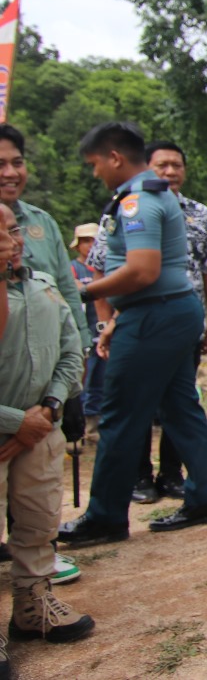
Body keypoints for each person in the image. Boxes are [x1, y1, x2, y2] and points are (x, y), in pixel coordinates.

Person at [59, 122, 207, 546]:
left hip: (156, 315)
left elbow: (144, 270)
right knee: (179, 406)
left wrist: (82, 291)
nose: (95, 173)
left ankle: (105, 517)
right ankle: (205, 498)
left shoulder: (138, 203)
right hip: (166, 312)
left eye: (95, 164)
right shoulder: (151, 197)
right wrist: (115, 319)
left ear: (114, 157)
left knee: (119, 414)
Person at [0, 203, 96, 667]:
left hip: (42, 429)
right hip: (12, 427)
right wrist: (14, 422)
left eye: (14, 230)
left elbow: (70, 354)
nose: (12, 240)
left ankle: (32, 603)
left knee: (38, 517)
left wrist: (52, 406)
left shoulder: (42, 288)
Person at [0, 124, 91, 349]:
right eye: (0, 164)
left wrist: (81, 347)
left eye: (17, 163)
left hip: (45, 360)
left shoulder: (42, 222)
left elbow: (66, 290)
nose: (11, 173)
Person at [69, 223, 104, 444]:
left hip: (99, 330)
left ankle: (93, 428)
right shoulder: (72, 269)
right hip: (80, 332)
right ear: (78, 245)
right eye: (85, 241)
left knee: (100, 380)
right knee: (82, 379)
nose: (89, 246)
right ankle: (76, 426)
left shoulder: (102, 268)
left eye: (93, 241)